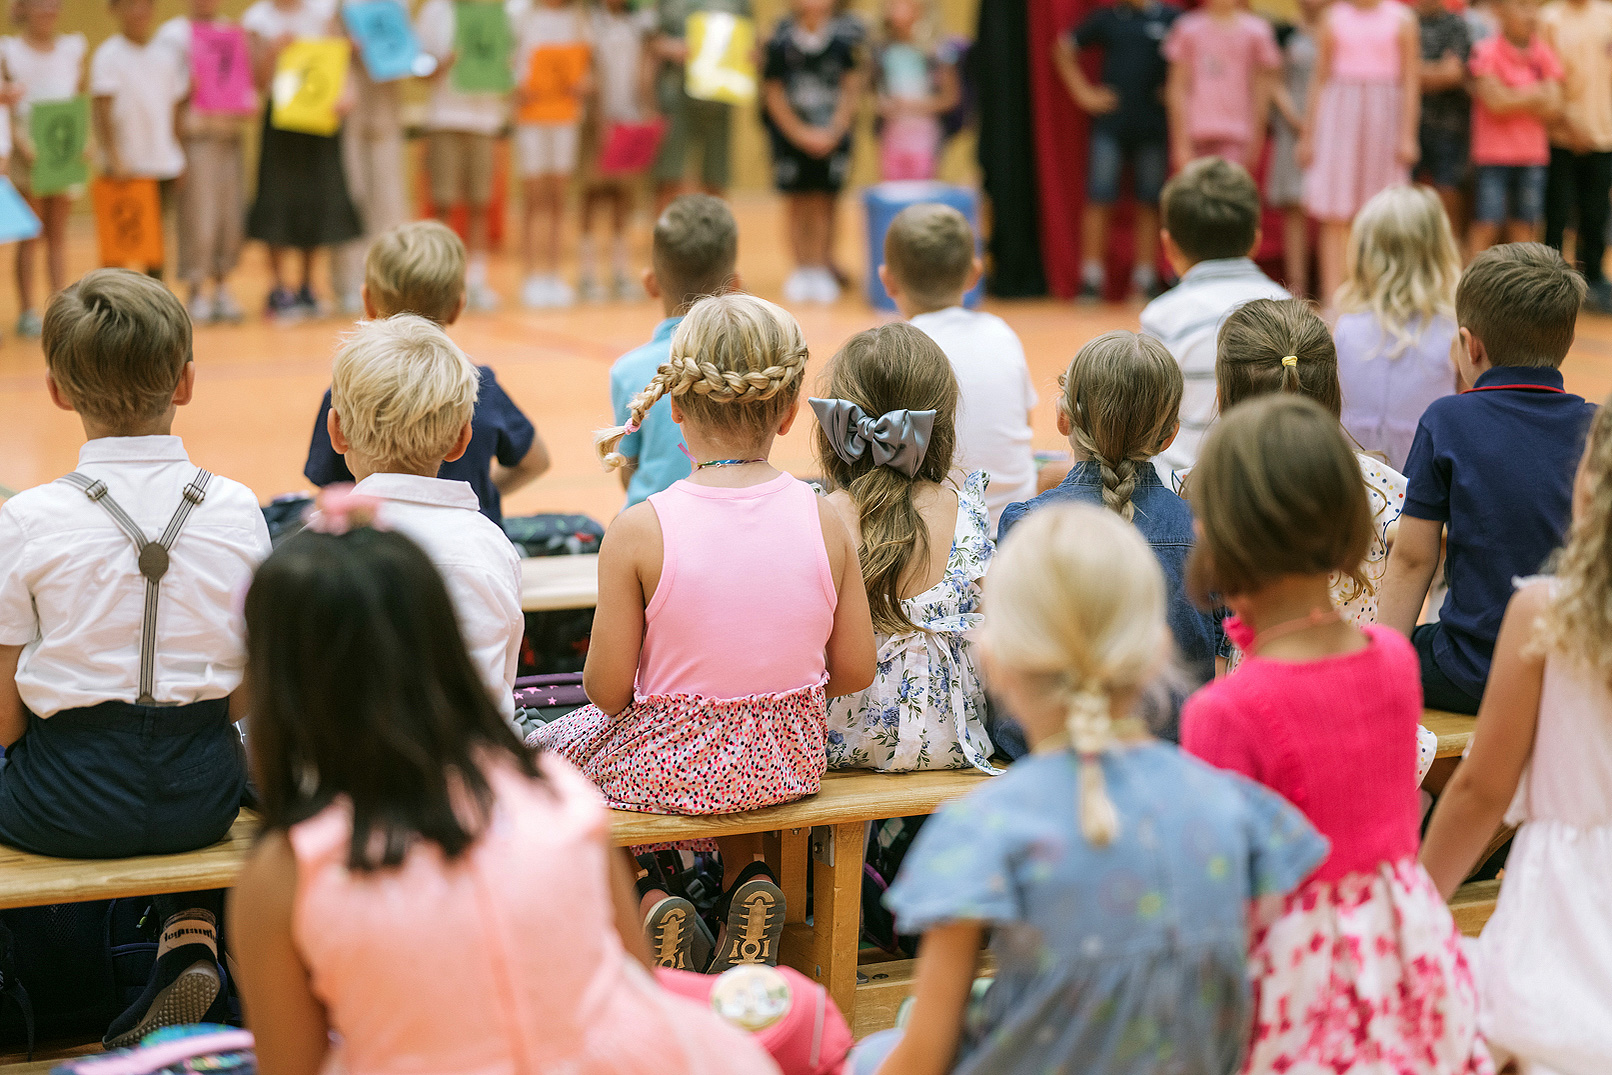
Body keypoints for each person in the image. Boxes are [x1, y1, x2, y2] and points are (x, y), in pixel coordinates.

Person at [228, 514, 782, 1075]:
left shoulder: (283, 874)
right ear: (443, 645)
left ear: (276, 681)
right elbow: (636, 990)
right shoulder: (557, 791)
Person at [848, 504, 1329, 1075]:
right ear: (1154, 652)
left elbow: (921, 1060)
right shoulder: (1238, 813)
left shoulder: (984, 830)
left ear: (995, 658)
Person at [534, 293, 875, 970]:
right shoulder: (828, 517)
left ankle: (645, 891)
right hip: (787, 760)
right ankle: (746, 879)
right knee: (731, 742)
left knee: (547, 761)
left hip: (671, 767)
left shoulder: (640, 529)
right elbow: (857, 668)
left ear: (676, 408)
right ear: (786, 411)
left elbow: (605, 692)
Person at [1181, 395, 1491, 1074]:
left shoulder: (1225, 711)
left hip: (1293, 973)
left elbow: (1213, 898)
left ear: (1226, 535)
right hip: (1403, 952)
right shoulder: (1392, 659)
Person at [0, 270, 270, 1045]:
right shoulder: (238, 507)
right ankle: (189, 926)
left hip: (57, 803)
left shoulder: (28, 518)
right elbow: (251, 687)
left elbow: (5, 714)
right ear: (185, 382)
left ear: (55, 390)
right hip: (201, 793)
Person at [1422, 400, 1612, 1075]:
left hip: (1566, 900)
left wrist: (1415, 903)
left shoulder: (1545, 613)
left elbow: (1481, 787)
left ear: (1590, 482)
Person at [1379, 243, 1596, 716]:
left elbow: (1414, 559)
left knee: (1389, 654)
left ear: (1468, 343)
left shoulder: (1448, 420)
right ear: (1565, 342)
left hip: (1474, 672)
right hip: (1572, 670)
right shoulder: (1599, 430)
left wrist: (1381, 670)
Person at [1000, 331, 1226, 699]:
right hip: (1172, 738)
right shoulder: (1202, 533)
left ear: (1063, 419)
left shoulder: (1025, 523)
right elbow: (1220, 655)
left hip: (1047, 736)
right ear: (1170, 436)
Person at [322, 314, 524, 719]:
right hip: (478, 769)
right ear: (461, 440)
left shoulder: (313, 546)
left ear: (336, 432)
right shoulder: (490, 545)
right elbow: (501, 677)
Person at [814, 323, 995, 774]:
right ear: (941, 422)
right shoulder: (965, 506)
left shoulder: (821, 515)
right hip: (955, 738)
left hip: (840, 744)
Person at [304, 221, 548, 527]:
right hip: (472, 541)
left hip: (382, 552)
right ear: (458, 306)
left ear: (367, 302)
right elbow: (537, 461)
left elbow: (331, 494)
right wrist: (481, 496)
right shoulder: (481, 387)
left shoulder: (348, 390)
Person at [1216, 298, 1409, 629]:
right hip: (1358, 672)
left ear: (1222, 397)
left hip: (1250, 677)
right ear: (1332, 392)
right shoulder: (1380, 486)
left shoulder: (1201, 493)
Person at [881, 203, 1036, 532]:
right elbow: (1024, 424)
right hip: (1014, 528)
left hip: (937, 540)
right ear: (975, 274)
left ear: (887, 281)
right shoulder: (1002, 332)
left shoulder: (895, 350)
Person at [1140, 157, 1289, 476]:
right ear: (1256, 239)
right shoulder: (1290, 307)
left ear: (1168, 245)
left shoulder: (1162, 318)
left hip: (1181, 491)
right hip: (1274, 485)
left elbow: (1146, 422)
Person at [610, 194, 737, 507]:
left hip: (653, 523)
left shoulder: (628, 370)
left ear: (651, 284)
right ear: (735, 285)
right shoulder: (748, 361)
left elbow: (629, 470)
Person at [243, 0, 363, 320]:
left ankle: (309, 285)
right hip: (280, 121)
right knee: (276, 199)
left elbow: (341, 63)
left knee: (318, 197)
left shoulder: (323, 12)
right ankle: (279, 286)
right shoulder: (257, 18)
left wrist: (346, 93)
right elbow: (255, 80)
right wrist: (273, 52)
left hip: (319, 119)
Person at [1300, 0, 1421, 306]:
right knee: (1335, 214)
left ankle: (1381, 299)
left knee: (1382, 214)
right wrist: (1309, 135)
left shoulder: (1402, 19)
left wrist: (1408, 135)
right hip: (1339, 116)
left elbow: (1410, 81)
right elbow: (1319, 78)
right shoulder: (1333, 18)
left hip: (1384, 119)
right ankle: (1333, 301)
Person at [1055, 0, 1177, 302]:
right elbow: (1062, 47)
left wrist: (1175, 89)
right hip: (1110, 126)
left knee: (1150, 202)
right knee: (1099, 197)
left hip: (1152, 127)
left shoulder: (1172, 19)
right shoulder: (1107, 19)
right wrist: (1083, 93)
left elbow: (1192, 57)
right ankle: (1091, 279)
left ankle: (1145, 278)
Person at [1334, 184, 1462, 472]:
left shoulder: (1344, 327)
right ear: (1439, 252)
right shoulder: (1453, 333)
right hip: (1424, 494)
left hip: (1353, 489)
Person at [155, 0, 250, 323]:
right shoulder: (173, 36)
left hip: (229, 136)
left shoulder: (230, 32)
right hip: (195, 140)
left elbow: (244, 87)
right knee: (198, 216)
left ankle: (222, 286)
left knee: (229, 215)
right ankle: (196, 289)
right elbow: (166, 93)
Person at [763, 0, 863, 305]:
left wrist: (835, 129)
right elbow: (773, 93)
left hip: (832, 137)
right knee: (796, 203)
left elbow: (851, 88)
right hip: (791, 141)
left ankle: (820, 267)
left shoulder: (844, 42)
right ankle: (801, 269)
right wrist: (799, 133)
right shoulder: (780, 42)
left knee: (824, 202)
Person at [414, 0, 506, 312]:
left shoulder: (496, 12)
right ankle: (441, 281)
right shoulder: (434, 11)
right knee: (442, 202)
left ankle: (476, 281)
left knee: (480, 202)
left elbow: (511, 60)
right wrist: (440, 63)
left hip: (483, 120)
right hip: (444, 119)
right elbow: (417, 65)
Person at [1, 0, 85, 338]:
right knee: (30, 235)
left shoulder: (71, 49)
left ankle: (63, 307)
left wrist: (82, 143)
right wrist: (23, 144)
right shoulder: (9, 50)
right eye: (40, 4)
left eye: (53, 4)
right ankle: (27, 311)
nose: (47, 9)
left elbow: (78, 99)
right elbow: (9, 106)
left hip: (61, 151)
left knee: (58, 235)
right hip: (28, 153)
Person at [90, 0, 186, 278]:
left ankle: (155, 314)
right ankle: (115, 313)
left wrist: (178, 156)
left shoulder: (166, 55)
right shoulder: (108, 55)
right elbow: (101, 112)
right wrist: (114, 157)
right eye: (131, 5)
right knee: (118, 248)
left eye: (145, 5)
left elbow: (174, 110)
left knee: (155, 246)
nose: (139, 11)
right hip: (123, 169)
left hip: (162, 165)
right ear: (115, 10)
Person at [332, 0, 410, 315]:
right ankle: (349, 282)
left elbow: (408, 52)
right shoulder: (337, 7)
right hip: (350, 112)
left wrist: (404, 49)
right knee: (353, 195)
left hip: (386, 110)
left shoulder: (396, 5)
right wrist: (343, 47)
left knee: (390, 199)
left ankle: (392, 280)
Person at [512, 0, 591, 309]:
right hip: (531, 115)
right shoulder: (520, 13)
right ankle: (530, 275)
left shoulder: (577, 17)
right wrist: (516, 86)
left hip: (565, 116)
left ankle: (553, 274)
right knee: (533, 197)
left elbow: (587, 63)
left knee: (558, 196)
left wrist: (582, 83)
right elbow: (506, 59)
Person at [1467, 0, 1563, 252]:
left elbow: (1554, 104)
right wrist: (1537, 93)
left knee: (1524, 228)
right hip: (1492, 156)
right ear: (1500, 11)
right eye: (1522, 6)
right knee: (1486, 225)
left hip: (1532, 156)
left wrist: (1510, 92)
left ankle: (1521, 290)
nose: (1531, 14)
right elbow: (1494, 102)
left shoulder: (1544, 52)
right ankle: (1468, 288)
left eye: (1534, 7)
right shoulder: (1484, 50)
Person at [1540, 0, 1612, 311]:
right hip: (1559, 135)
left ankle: (1592, 278)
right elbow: (1544, 76)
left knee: (1596, 210)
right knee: (1557, 211)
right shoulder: (1549, 19)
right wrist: (1568, 124)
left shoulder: (1607, 16)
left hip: (1603, 134)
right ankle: (1551, 281)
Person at [578, 0, 651, 303]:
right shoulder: (588, 21)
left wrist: (647, 112)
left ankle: (621, 272)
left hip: (630, 120)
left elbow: (646, 71)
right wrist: (598, 119)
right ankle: (588, 273)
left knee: (624, 198)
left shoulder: (640, 23)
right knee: (592, 195)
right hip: (596, 122)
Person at [647, 0, 749, 210]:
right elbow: (650, 41)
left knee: (716, 176)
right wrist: (671, 48)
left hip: (719, 98)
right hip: (676, 94)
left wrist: (749, 55)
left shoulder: (739, 3)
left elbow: (749, 38)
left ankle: (715, 238)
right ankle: (667, 238)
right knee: (670, 174)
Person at [1163, 0, 1279, 172]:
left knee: (1229, 193)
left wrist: (1256, 140)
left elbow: (1262, 91)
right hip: (1196, 130)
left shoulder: (1257, 31)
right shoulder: (1187, 27)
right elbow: (1177, 88)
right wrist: (1180, 143)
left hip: (1238, 132)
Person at [1268, 0, 1322, 298]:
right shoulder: (1284, 33)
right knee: (1294, 206)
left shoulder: (1335, 31)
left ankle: (1331, 285)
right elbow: (1273, 81)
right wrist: (1295, 118)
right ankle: (1297, 287)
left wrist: (1318, 122)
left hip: (1329, 127)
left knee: (1333, 212)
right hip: (1292, 127)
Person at [873, 0, 960, 182]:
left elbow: (950, 98)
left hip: (925, 138)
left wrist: (910, 105)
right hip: (892, 138)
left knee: (923, 196)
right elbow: (871, 96)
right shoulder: (881, 51)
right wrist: (882, 105)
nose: (896, 8)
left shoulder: (939, 51)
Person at [1417, 0, 1473, 236]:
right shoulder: (1402, 22)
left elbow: (1453, 74)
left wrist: (1409, 71)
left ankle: (1453, 264)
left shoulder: (1457, 26)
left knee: (1450, 194)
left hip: (1449, 128)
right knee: (1406, 198)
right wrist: (1436, 70)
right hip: (1406, 126)